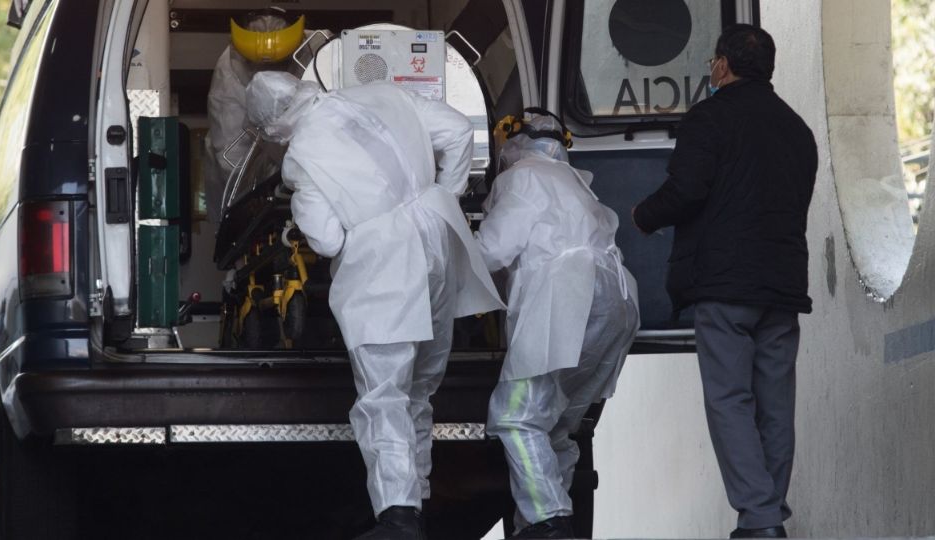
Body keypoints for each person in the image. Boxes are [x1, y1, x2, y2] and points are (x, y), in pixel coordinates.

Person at [245, 71, 505, 540]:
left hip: (385, 264)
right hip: (438, 239)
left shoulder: (301, 158)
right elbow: (457, 130)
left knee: (384, 392)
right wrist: (444, 194)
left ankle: (399, 515)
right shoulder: (383, 93)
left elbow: (325, 240)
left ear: (272, 128)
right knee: (419, 389)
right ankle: (421, 499)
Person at [632, 24, 818, 539]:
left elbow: (687, 190)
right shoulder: (798, 131)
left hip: (725, 287)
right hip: (781, 288)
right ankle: (768, 514)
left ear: (721, 66)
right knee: (776, 405)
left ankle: (759, 520)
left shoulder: (709, 118)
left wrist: (643, 215)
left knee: (730, 400)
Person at [476, 111, 640, 539]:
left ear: (512, 143)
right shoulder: (573, 180)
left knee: (516, 417)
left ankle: (548, 520)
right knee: (556, 426)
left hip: (570, 297)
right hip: (616, 301)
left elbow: (493, 251)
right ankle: (539, 523)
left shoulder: (522, 177)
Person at [204, 7, 305, 223]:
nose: (269, 71)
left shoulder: (320, 48)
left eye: (280, 63)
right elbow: (229, 154)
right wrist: (264, 194)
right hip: (251, 169)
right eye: (257, 65)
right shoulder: (229, 72)